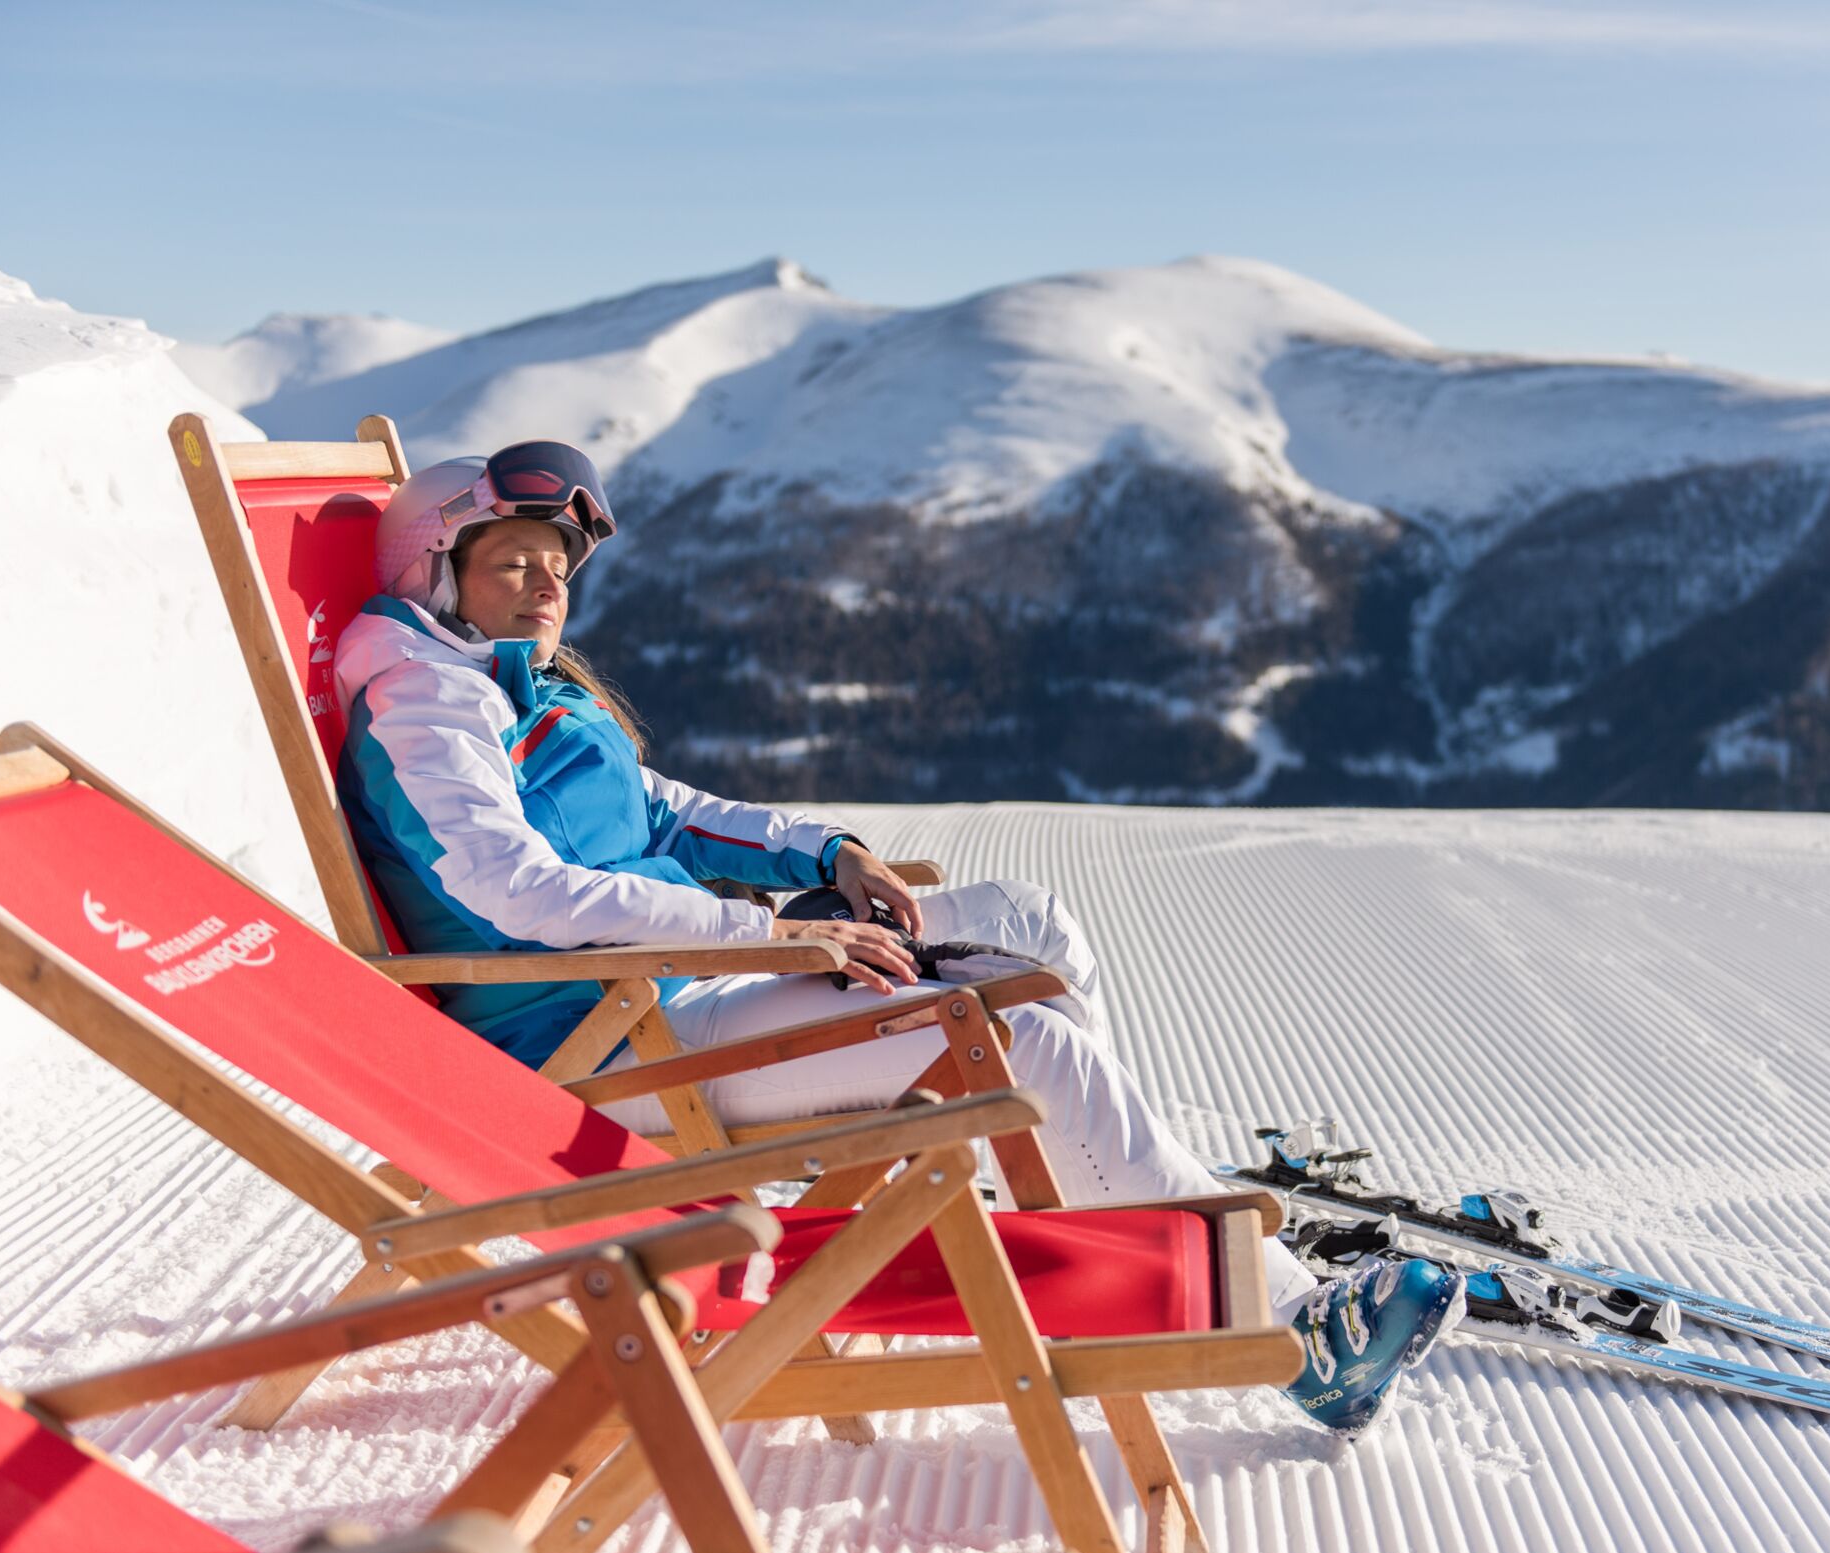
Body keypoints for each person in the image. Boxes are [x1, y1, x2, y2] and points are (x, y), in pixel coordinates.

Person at [333, 441, 1463, 1436]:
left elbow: (663, 810)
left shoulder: (512, 680)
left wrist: (828, 856)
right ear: (438, 570)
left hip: (682, 981)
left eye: (558, 566)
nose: (547, 587)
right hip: (604, 1041)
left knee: (1025, 920)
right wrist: (768, 931)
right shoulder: (427, 709)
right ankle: (1294, 1340)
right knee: (1027, 1045)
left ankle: (1092, 1188)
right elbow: (513, 891)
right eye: (513, 562)